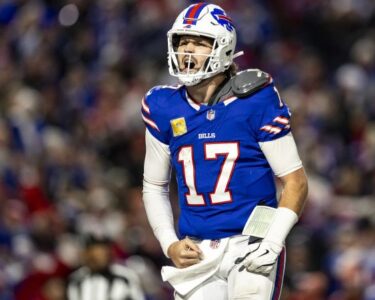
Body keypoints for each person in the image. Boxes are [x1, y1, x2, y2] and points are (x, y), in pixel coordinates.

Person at [141, 3, 308, 300]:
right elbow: (154, 186)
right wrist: (169, 243)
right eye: (182, 42)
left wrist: (272, 241)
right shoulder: (163, 106)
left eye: (199, 43)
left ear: (223, 48)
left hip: (251, 241)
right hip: (197, 248)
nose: (187, 51)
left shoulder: (255, 100)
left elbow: (295, 181)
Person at [66, 234, 145, 300]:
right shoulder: (76, 280)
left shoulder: (126, 276)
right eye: (96, 255)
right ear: (86, 255)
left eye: (104, 253)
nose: (102, 257)